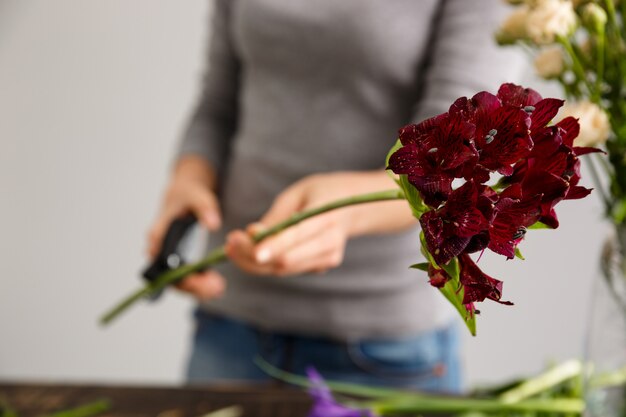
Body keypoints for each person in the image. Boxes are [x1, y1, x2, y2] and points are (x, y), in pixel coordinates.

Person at [147, 0, 525, 393]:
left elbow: (456, 159)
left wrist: (343, 213)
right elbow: (218, 105)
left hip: (382, 348)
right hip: (230, 322)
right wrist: (189, 180)